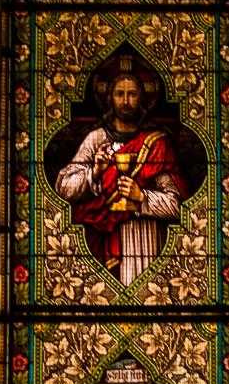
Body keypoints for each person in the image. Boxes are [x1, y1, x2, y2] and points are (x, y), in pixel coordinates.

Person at [55, 72, 189, 285]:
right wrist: (95, 173)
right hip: (101, 241)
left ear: (141, 99)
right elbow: (63, 189)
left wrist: (142, 197)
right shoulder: (96, 139)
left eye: (132, 94)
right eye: (119, 94)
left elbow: (177, 206)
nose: (126, 100)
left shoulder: (157, 144)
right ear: (110, 99)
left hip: (146, 240)